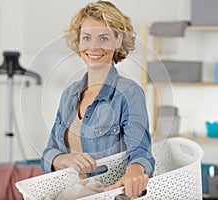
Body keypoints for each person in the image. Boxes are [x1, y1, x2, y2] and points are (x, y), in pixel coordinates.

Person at [41, 1, 155, 198]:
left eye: (103, 38)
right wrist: (66, 160)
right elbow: (48, 154)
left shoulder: (128, 93)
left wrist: (136, 171)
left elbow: (141, 152)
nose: (93, 47)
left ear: (118, 41)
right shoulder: (69, 94)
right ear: (78, 42)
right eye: (86, 37)